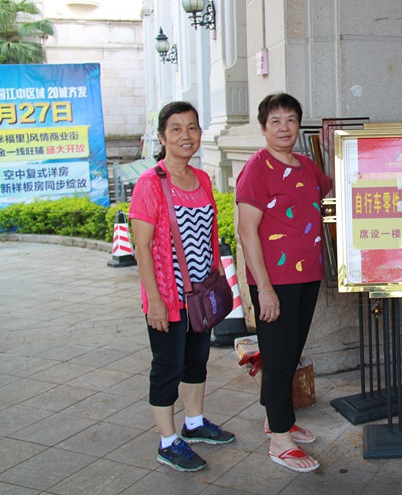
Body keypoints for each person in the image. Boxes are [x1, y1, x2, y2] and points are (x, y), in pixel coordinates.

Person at [130, 101, 235, 473]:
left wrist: (217, 276)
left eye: (192, 127)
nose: (185, 135)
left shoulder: (202, 179)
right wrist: (155, 301)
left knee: (196, 361)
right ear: (162, 137)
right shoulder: (150, 184)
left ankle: (194, 423)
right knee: (167, 367)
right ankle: (167, 442)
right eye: (176, 129)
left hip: (200, 296)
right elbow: (142, 246)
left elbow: (209, 234)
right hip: (169, 298)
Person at [236, 93, 332, 473]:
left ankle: (277, 419)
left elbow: (337, 189)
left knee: (289, 354)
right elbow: (247, 232)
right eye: (275, 121)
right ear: (263, 128)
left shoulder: (307, 166)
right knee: (277, 359)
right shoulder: (256, 169)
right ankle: (279, 441)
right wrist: (264, 289)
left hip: (308, 276)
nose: (284, 127)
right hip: (274, 281)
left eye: (291, 120)